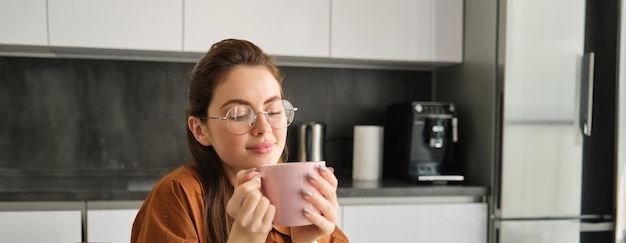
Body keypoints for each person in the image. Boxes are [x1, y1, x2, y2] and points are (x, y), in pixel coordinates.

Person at [130, 39, 349, 243]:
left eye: (273, 111)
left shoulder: (304, 199)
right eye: (239, 115)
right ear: (200, 130)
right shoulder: (179, 196)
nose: (263, 129)